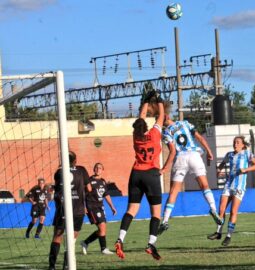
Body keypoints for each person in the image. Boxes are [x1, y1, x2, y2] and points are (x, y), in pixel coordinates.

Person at [114, 90, 164, 260]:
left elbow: (142, 116)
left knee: (131, 210)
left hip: (136, 174)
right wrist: (159, 100)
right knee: (156, 213)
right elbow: (161, 116)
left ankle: (120, 239)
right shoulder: (155, 134)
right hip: (151, 174)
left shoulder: (136, 136)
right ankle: (151, 243)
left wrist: (145, 100)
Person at [157, 114, 223, 235]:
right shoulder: (186, 123)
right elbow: (200, 138)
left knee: (173, 192)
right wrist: (209, 152)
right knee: (204, 185)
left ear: (164, 118)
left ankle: (165, 220)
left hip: (180, 158)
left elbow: (172, 151)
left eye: (159, 120)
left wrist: (164, 168)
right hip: (194, 155)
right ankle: (213, 210)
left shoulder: (166, 133)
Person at [207, 136, 255, 246]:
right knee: (221, 209)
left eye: (237, 142)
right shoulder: (229, 154)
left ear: (243, 145)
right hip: (228, 185)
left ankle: (228, 236)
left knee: (233, 212)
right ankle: (218, 232)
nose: (235, 144)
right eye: (234, 142)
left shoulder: (247, 154)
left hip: (239, 187)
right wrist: (218, 171)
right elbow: (221, 165)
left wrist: (246, 169)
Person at [48, 151, 90, 270]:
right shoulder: (82, 170)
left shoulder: (59, 172)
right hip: (78, 209)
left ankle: (52, 266)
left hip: (63, 208)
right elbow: (89, 188)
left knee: (57, 236)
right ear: (75, 160)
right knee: (71, 240)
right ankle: (67, 265)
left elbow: (57, 188)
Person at [80, 162, 117, 255]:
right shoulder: (89, 181)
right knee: (102, 226)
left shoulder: (103, 182)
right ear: (94, 169)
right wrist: (83, 206)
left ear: (102, 170)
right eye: (96, 167)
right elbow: (82, 194)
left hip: (100, 207)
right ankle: (103, 249)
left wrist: (112, 207)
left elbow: (106, 195)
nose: (98, 169)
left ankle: (85, 242)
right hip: (92, 207)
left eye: (100, 168)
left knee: (102, 229)